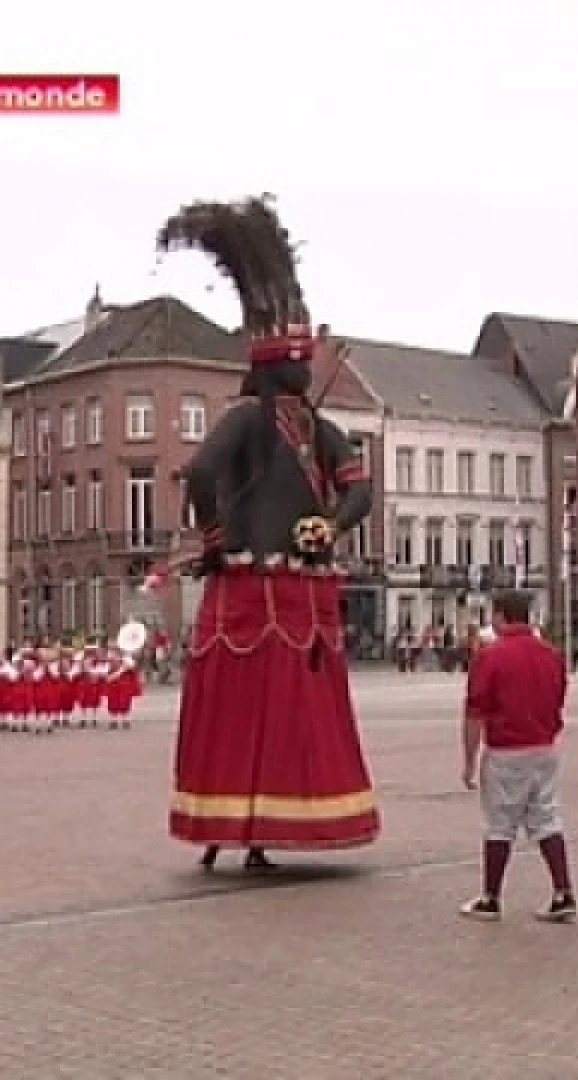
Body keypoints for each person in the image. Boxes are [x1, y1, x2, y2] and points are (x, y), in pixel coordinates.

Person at [157, 196, 379, 872]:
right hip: (264, 590)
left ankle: (254, 822)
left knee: (267, 707)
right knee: (261, 707)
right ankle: (246, 822)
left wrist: (330, 525)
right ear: (277, 363)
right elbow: (199, 471)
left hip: (289, 589)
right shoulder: (254, 416)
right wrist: (219, 537)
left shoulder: (313, 426)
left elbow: (359, 491)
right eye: (299, 361)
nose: (307, 371)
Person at [457, 590, 575, 923]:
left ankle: (490, 897)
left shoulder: (490, 657)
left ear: (500, 616)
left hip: (506, 749)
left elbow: (475, 711)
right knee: (547, 818)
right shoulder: (551, 655)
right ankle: (563, 890)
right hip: (545, 746)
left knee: (499, 823)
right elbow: (559, 699)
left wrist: (469, 760)